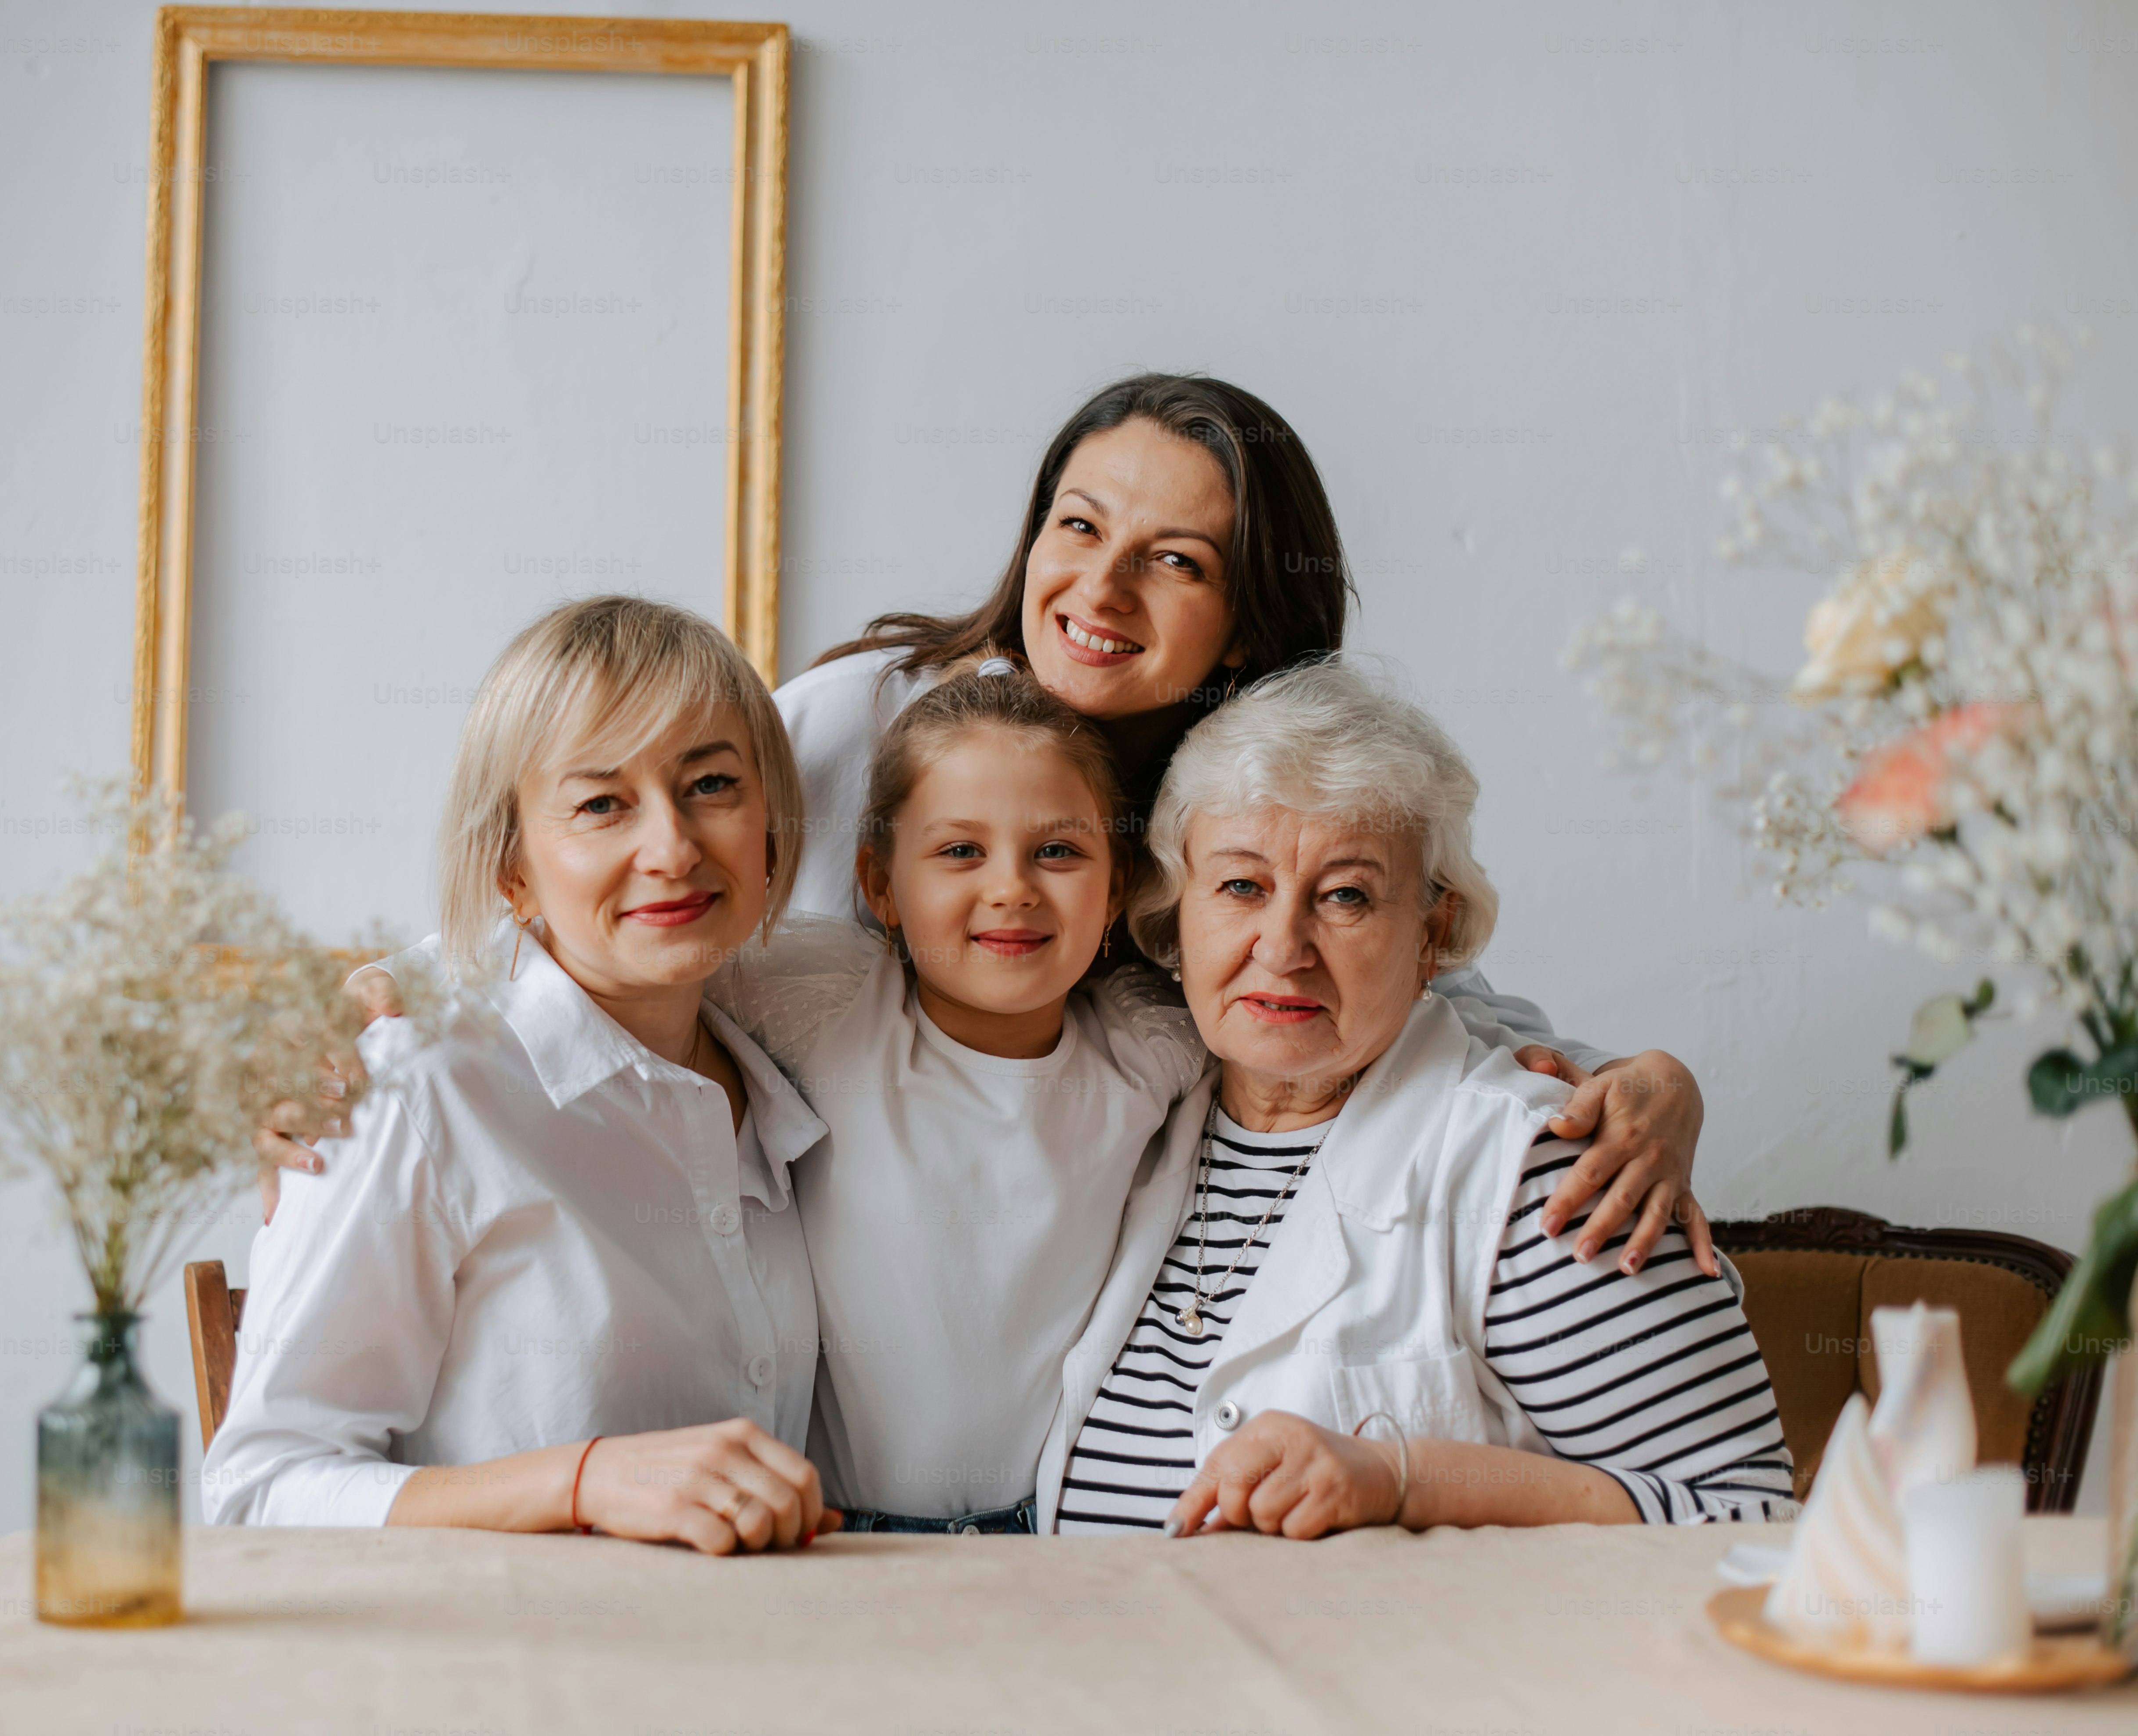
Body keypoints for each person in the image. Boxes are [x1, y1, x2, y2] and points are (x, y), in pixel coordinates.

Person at [770, 373, 1711, 1275]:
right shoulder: (850, 724)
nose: (1101, 588)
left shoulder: (1246, 792)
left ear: (1245, 630)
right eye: (1080, 527)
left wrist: (1653, 1080)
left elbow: (1401, 976)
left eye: (1176, 560)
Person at [1039, 660, 1797, 1536]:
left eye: (1345, 896)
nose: (1281, 947)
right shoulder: (1130, 1127)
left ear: (1432, 934)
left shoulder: (1542, 1173)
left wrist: (1403, 1480)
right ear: (1176, 910)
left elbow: (1749, 1516)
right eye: (1241, 886)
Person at [204, 598, 831, 1554]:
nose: (671, 848)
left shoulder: (787, 1085)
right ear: (513, 872)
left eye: (710, 786)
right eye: (600, 805)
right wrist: (584, 1481)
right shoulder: (409, 1093)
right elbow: (259, 1491)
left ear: (772, 830)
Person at [705, 655, 1206, 1532]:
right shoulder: (832, 1004)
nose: (1010, 887)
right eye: (959, 851)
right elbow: (623, 954)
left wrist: (1519, 1057)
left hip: (1051, 1533)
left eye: (1057, 851)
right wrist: (401, 982)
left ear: (1116, 883)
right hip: (834, 1530)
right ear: (878, 886)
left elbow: (1336, 1010)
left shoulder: (1150, 1042)